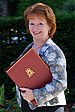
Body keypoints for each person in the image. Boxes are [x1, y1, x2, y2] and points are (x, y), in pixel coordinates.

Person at [16, 3, 67, 112]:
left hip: (49, 108)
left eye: (40, 23)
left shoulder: (53, 51)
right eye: (32, 23)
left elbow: (61, 83)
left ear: (50, 26)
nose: (35, 28)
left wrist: (34, 94)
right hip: (29, 106)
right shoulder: (29, 48)